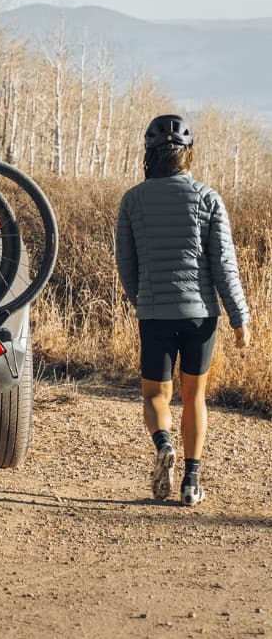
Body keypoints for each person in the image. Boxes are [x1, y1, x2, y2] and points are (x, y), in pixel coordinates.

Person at [116, 114, 250, 506]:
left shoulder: (132, 199)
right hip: (201, 315)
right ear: (187, 154)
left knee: (156, 395)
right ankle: (191, 483)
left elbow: (127, 263)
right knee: (194, 397)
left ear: (149, 153)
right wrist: (239, 317)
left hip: (155, 312)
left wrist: (140, 299)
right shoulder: (208, 198)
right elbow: (224, 264)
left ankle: (163, 444)